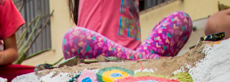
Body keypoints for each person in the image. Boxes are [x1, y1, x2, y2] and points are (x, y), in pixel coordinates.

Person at [62, 0, 193, 61]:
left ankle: (137, 60)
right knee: (72, 38)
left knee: (182, 20)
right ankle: (141, 61)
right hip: (97, 57)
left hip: (138, 53)